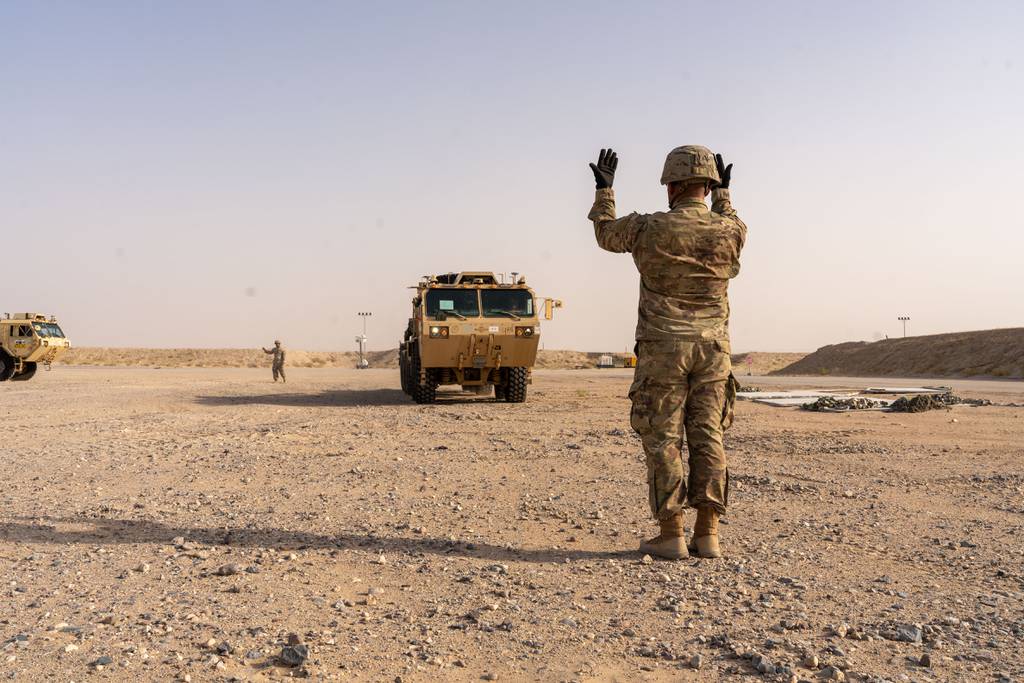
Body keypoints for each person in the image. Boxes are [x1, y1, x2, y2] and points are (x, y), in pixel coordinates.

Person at [587, 145, 746, 559]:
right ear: (709, 188)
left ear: (670, 185)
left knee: (664, 441)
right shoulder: (730, 231)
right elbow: (732, 220)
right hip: (713, 350)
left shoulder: (647, 228)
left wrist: (605, 190)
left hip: (663, 348)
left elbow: (605, 233)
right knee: (708, 435)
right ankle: (708, 533)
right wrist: (725, 194)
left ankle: (672, 532)